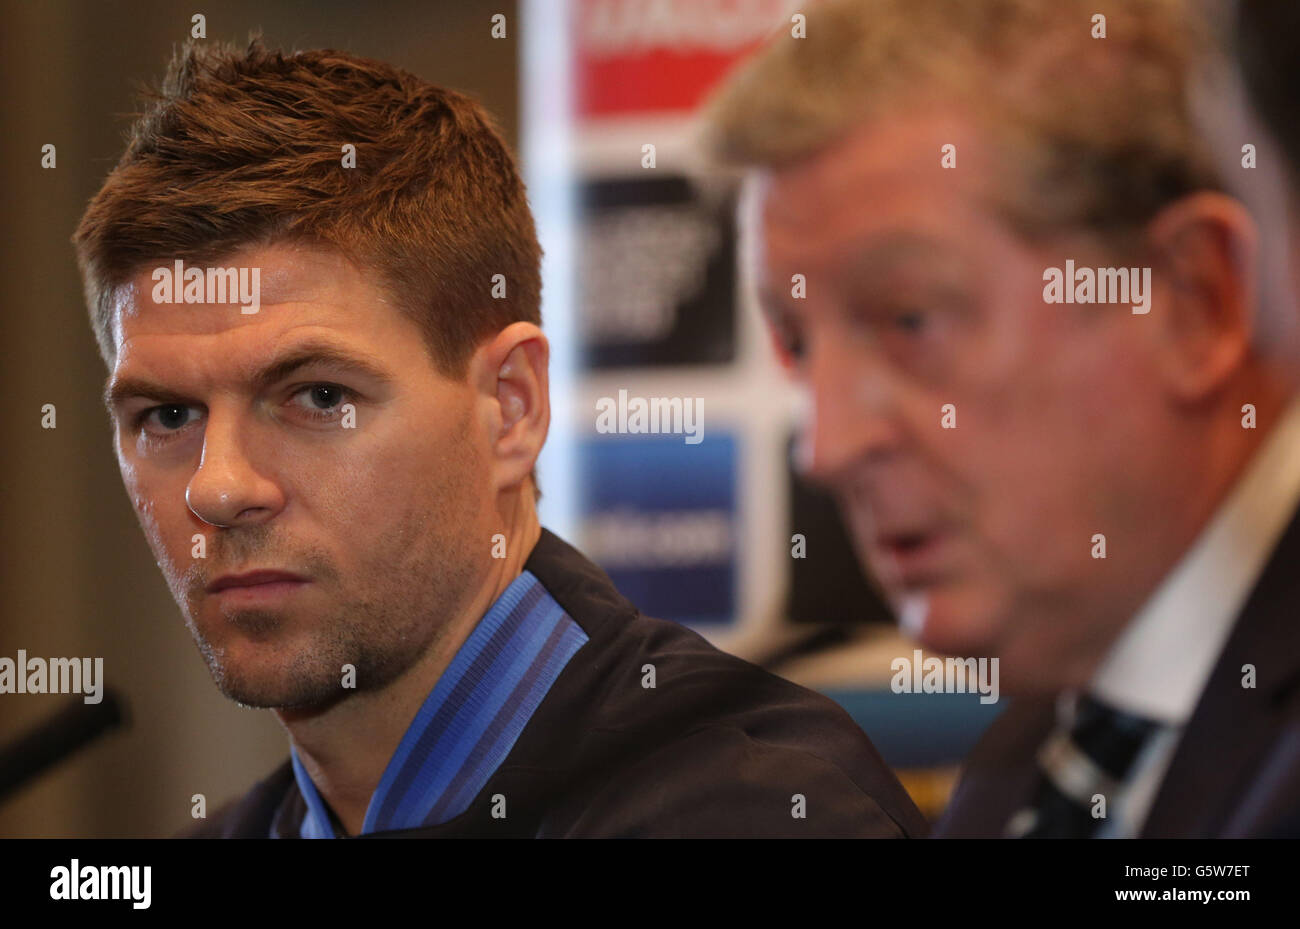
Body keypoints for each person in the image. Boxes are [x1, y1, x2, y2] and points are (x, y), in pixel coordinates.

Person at [72, 38, 926, 839]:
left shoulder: (759, 811)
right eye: (168, 417)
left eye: (318, 395)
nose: (218, 487)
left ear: (510, 408)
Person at [702, 0, 1300, 837]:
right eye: (798, 342)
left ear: (1195, 301)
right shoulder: (1016, 771)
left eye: (911, 320)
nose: (826, 448)